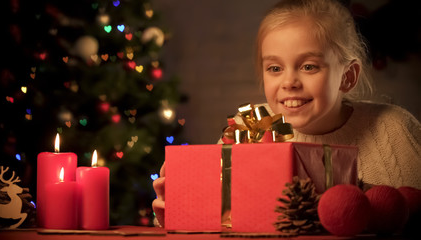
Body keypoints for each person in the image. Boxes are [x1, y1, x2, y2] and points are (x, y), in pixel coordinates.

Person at [152, 0, 421, 227]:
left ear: (347, 76)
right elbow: (217, 215)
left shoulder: (393, 129)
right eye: (275, 68)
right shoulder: (248, 128)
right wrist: (176, 204)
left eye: (309, 66)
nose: (289, 82)